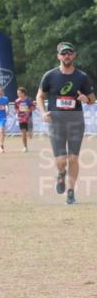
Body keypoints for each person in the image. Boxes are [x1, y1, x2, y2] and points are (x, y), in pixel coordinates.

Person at [37, 42, 95, 205]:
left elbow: (92, 98)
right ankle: (61, 173)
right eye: (63, 53)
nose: (66, 56)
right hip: (56, 120)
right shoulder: (49, 75)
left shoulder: (81, 77)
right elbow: (39, 96)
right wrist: (43, 112)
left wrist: (87, 99)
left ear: (74, 55)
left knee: (73, 158)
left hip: (76, 119)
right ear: (58, 56)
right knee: (61, 160)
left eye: (69, 53)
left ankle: (70, 192)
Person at [14, 86, 35, 151]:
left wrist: (28, 110)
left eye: (19, 93)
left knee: (30, 135)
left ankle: (30, 132)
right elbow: (16, 108)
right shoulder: (17, 101)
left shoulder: (29, 100)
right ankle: (25, 147)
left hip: (28, 118)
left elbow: (34, 107)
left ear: (23, 93)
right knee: (23, 133)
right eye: (17, 93)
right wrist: (17, 112)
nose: (18, 94)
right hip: (21, 118)